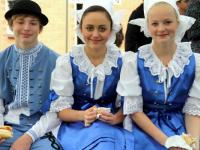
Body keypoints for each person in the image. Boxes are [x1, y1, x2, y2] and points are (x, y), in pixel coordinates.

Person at [13, 0, 135, 150]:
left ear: (111, 30)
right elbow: (60, 111)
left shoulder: (124, 61)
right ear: (81, 29)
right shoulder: (68, 62)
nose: (95, 34)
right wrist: (82, 115)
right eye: (89, 28)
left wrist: (117, 117)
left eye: (102, 28)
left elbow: (130, 104)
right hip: (76, 128)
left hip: (112, 128)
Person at [117, 0, 200, 150]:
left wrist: (194, 143)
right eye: (155, 24)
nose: (161, 28)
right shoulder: (134, 61)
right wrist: (168, 142)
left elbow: (193, 109)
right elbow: (135, 110)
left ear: (178, 23)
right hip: (144, 129)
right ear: (147, 27)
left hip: (182, 125)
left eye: (167, 22)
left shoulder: (195, 61)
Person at [0, 0, 59, 149]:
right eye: (20, 22)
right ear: (12, 25)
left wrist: (28, 137)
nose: (26, 28)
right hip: (8, 127)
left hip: (43, 130)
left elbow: (58, 109)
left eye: (33, 23)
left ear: (40, 28)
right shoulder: (2, 58)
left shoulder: (57, 61)